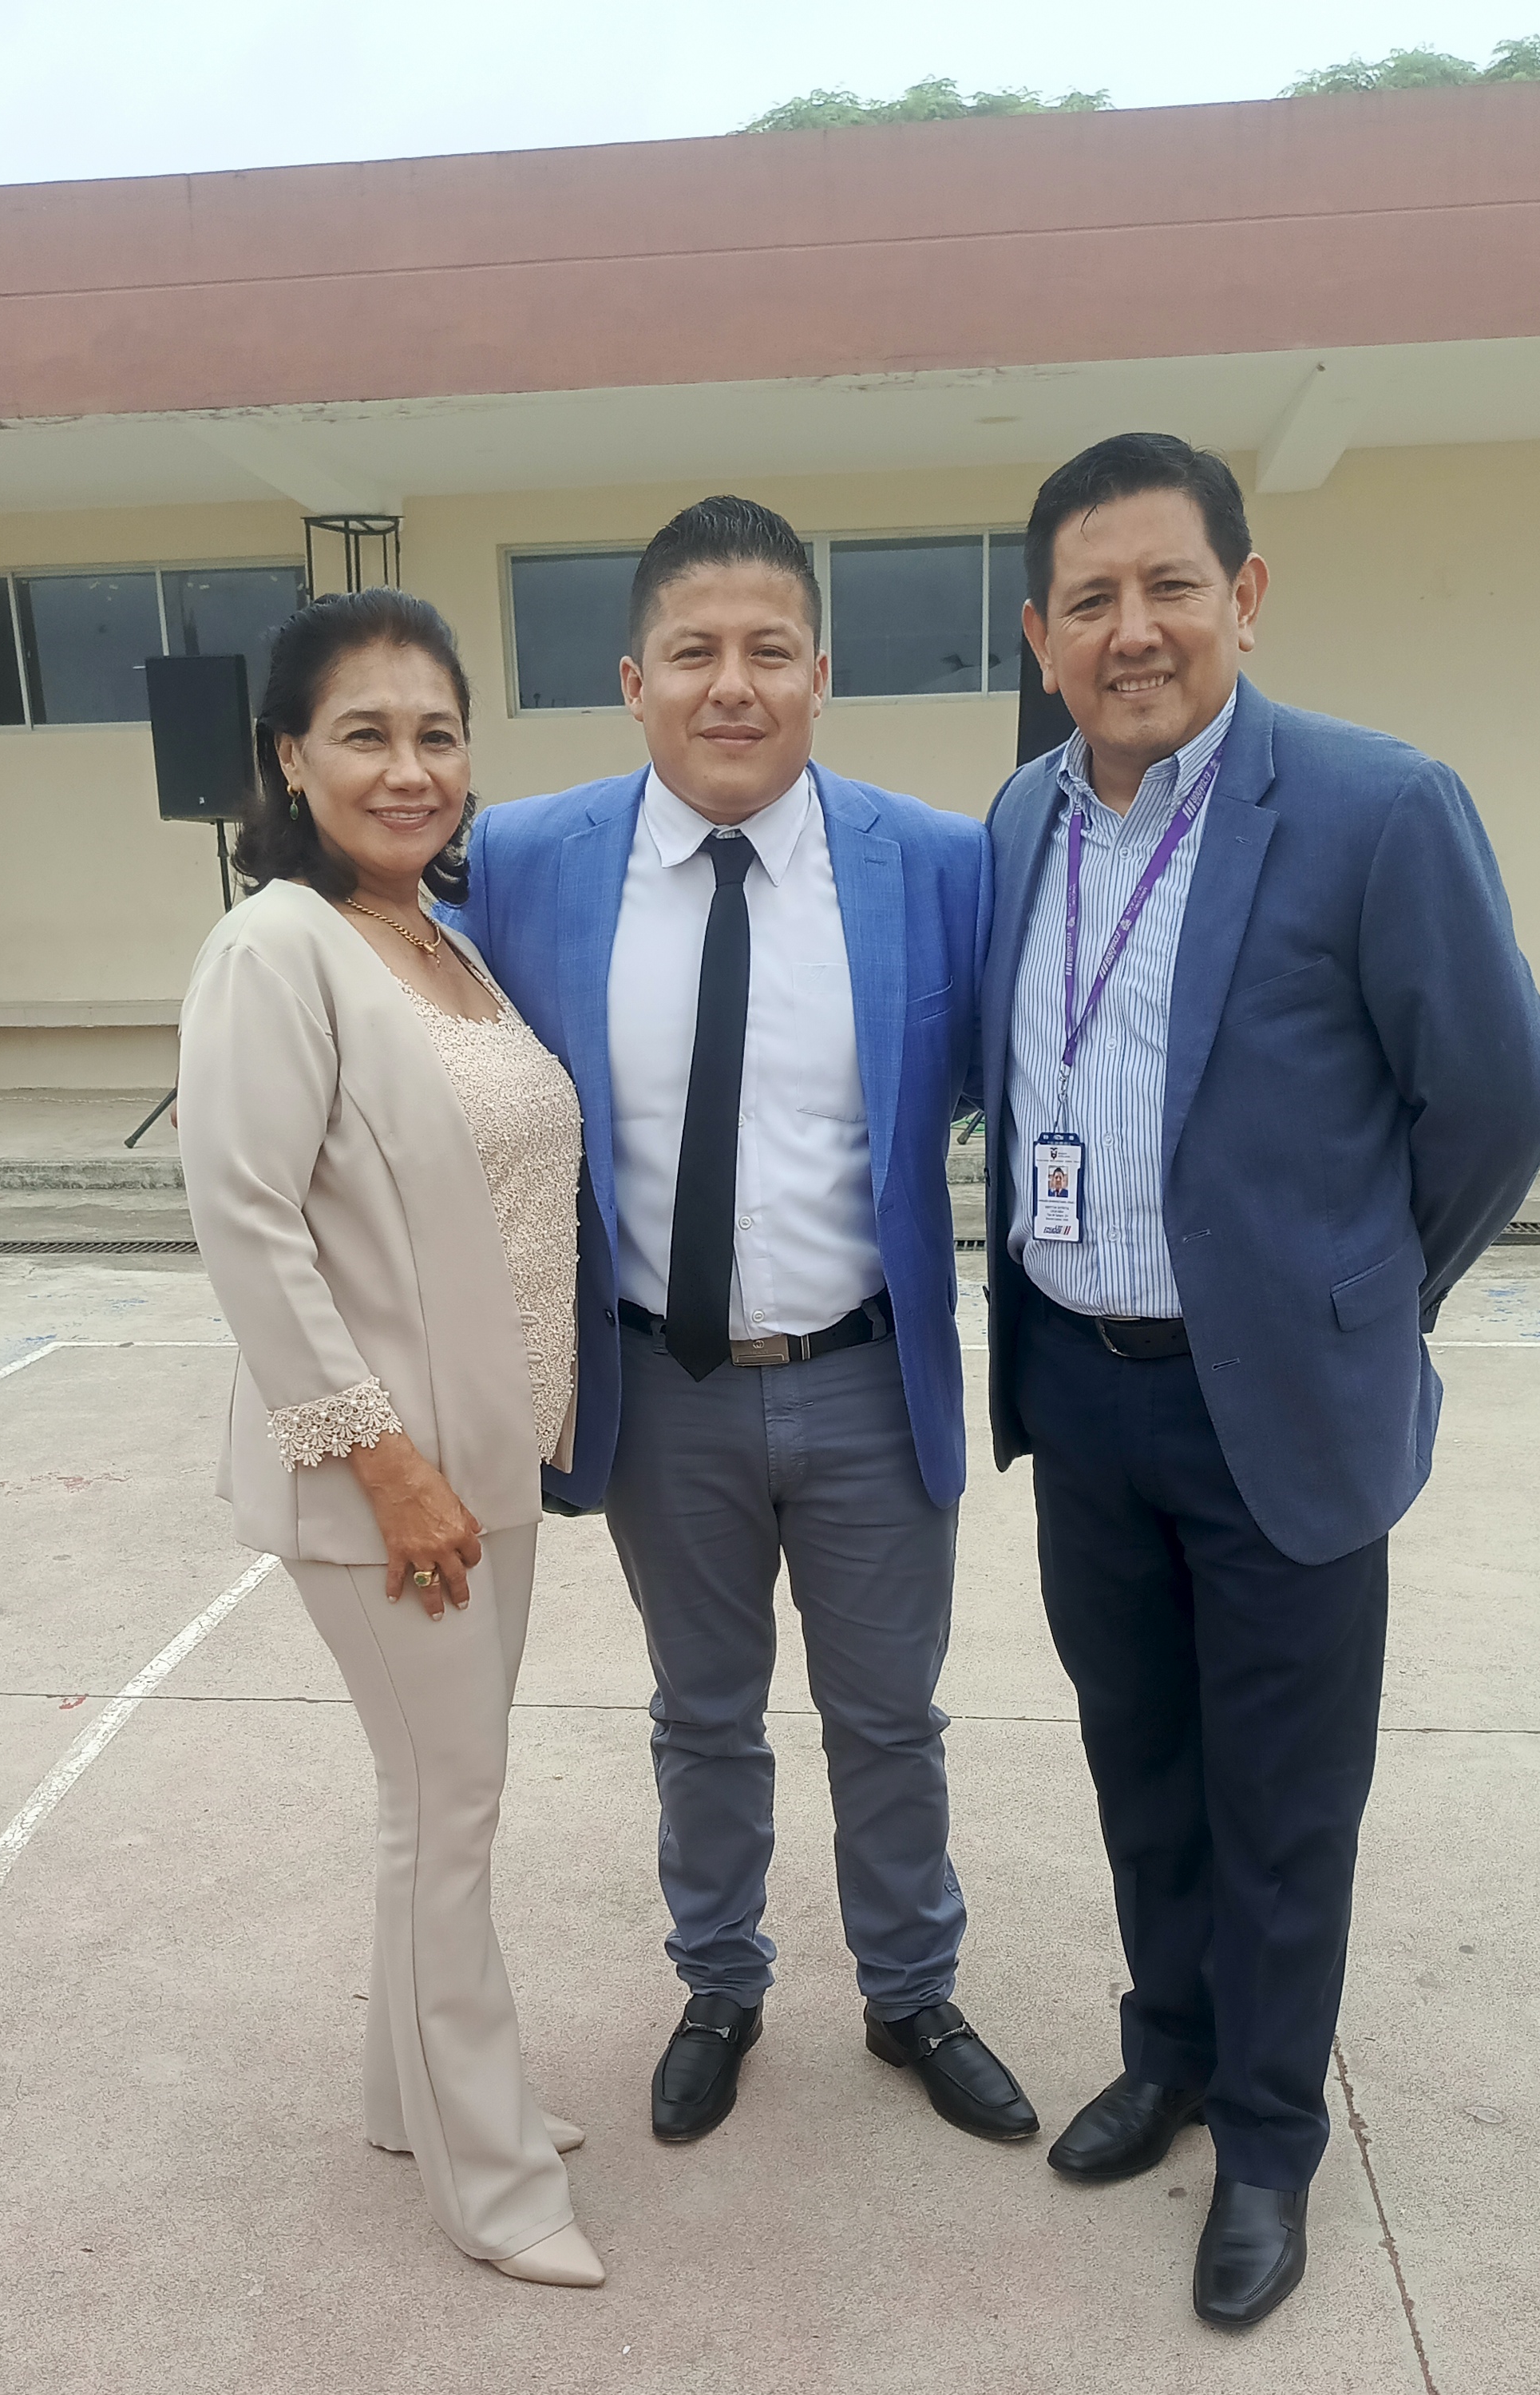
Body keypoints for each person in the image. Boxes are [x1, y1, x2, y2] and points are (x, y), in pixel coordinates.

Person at [981, 433, 1540, 2329]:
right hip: (1086, 1392)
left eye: (1169, 585)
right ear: (1043, 636)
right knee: (1142, 1761)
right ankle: (1167, 2052)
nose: (1132, 630)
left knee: (1287, 1801)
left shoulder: (1378, 807)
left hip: (1277, 1410)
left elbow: (1497, 1101)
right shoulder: (1023, 821)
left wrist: (1363, 1300)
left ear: (1244, 593)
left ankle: (1270, 2139)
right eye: (1090, 600)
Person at [446, 496, 1037, 2148]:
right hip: (662, 1388)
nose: (733, 684)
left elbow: (1010, 1070)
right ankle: (720, 1982)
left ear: (820, 675)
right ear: (633, 680)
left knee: (890, 1719)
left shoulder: (933, 864)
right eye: (694, 652)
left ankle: (912, 1992)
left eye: (770, 650)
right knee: (701, 1715)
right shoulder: (526, 862)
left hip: (865, 1376)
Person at [176, 588, 605, 2290]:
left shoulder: (437, 940)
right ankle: (494, 2185)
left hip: (491, 1465)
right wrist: (387, 1463)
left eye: (436, 734)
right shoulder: (274, 948)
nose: (408, 768)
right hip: (388, 1486)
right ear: (289, 758)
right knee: (453, 1808)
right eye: (364, 734)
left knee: (431, 1799)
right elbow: (246, 1221)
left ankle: (406, 2095)